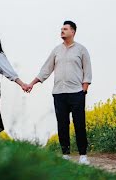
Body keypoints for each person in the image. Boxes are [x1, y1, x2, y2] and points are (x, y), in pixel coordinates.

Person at [25, 20, 92, 164]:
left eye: (65, 29)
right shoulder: (56, 50)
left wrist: (84, 90)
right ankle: (66, 154)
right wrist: (32, 83)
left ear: (73, 32)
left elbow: (87, 71)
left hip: (76, 93)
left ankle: (83, 155)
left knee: (79, 123)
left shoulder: (81, 50)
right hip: (59, 93)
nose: (62, 31)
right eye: (61, 29)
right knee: (62, 124)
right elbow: (46, 69)